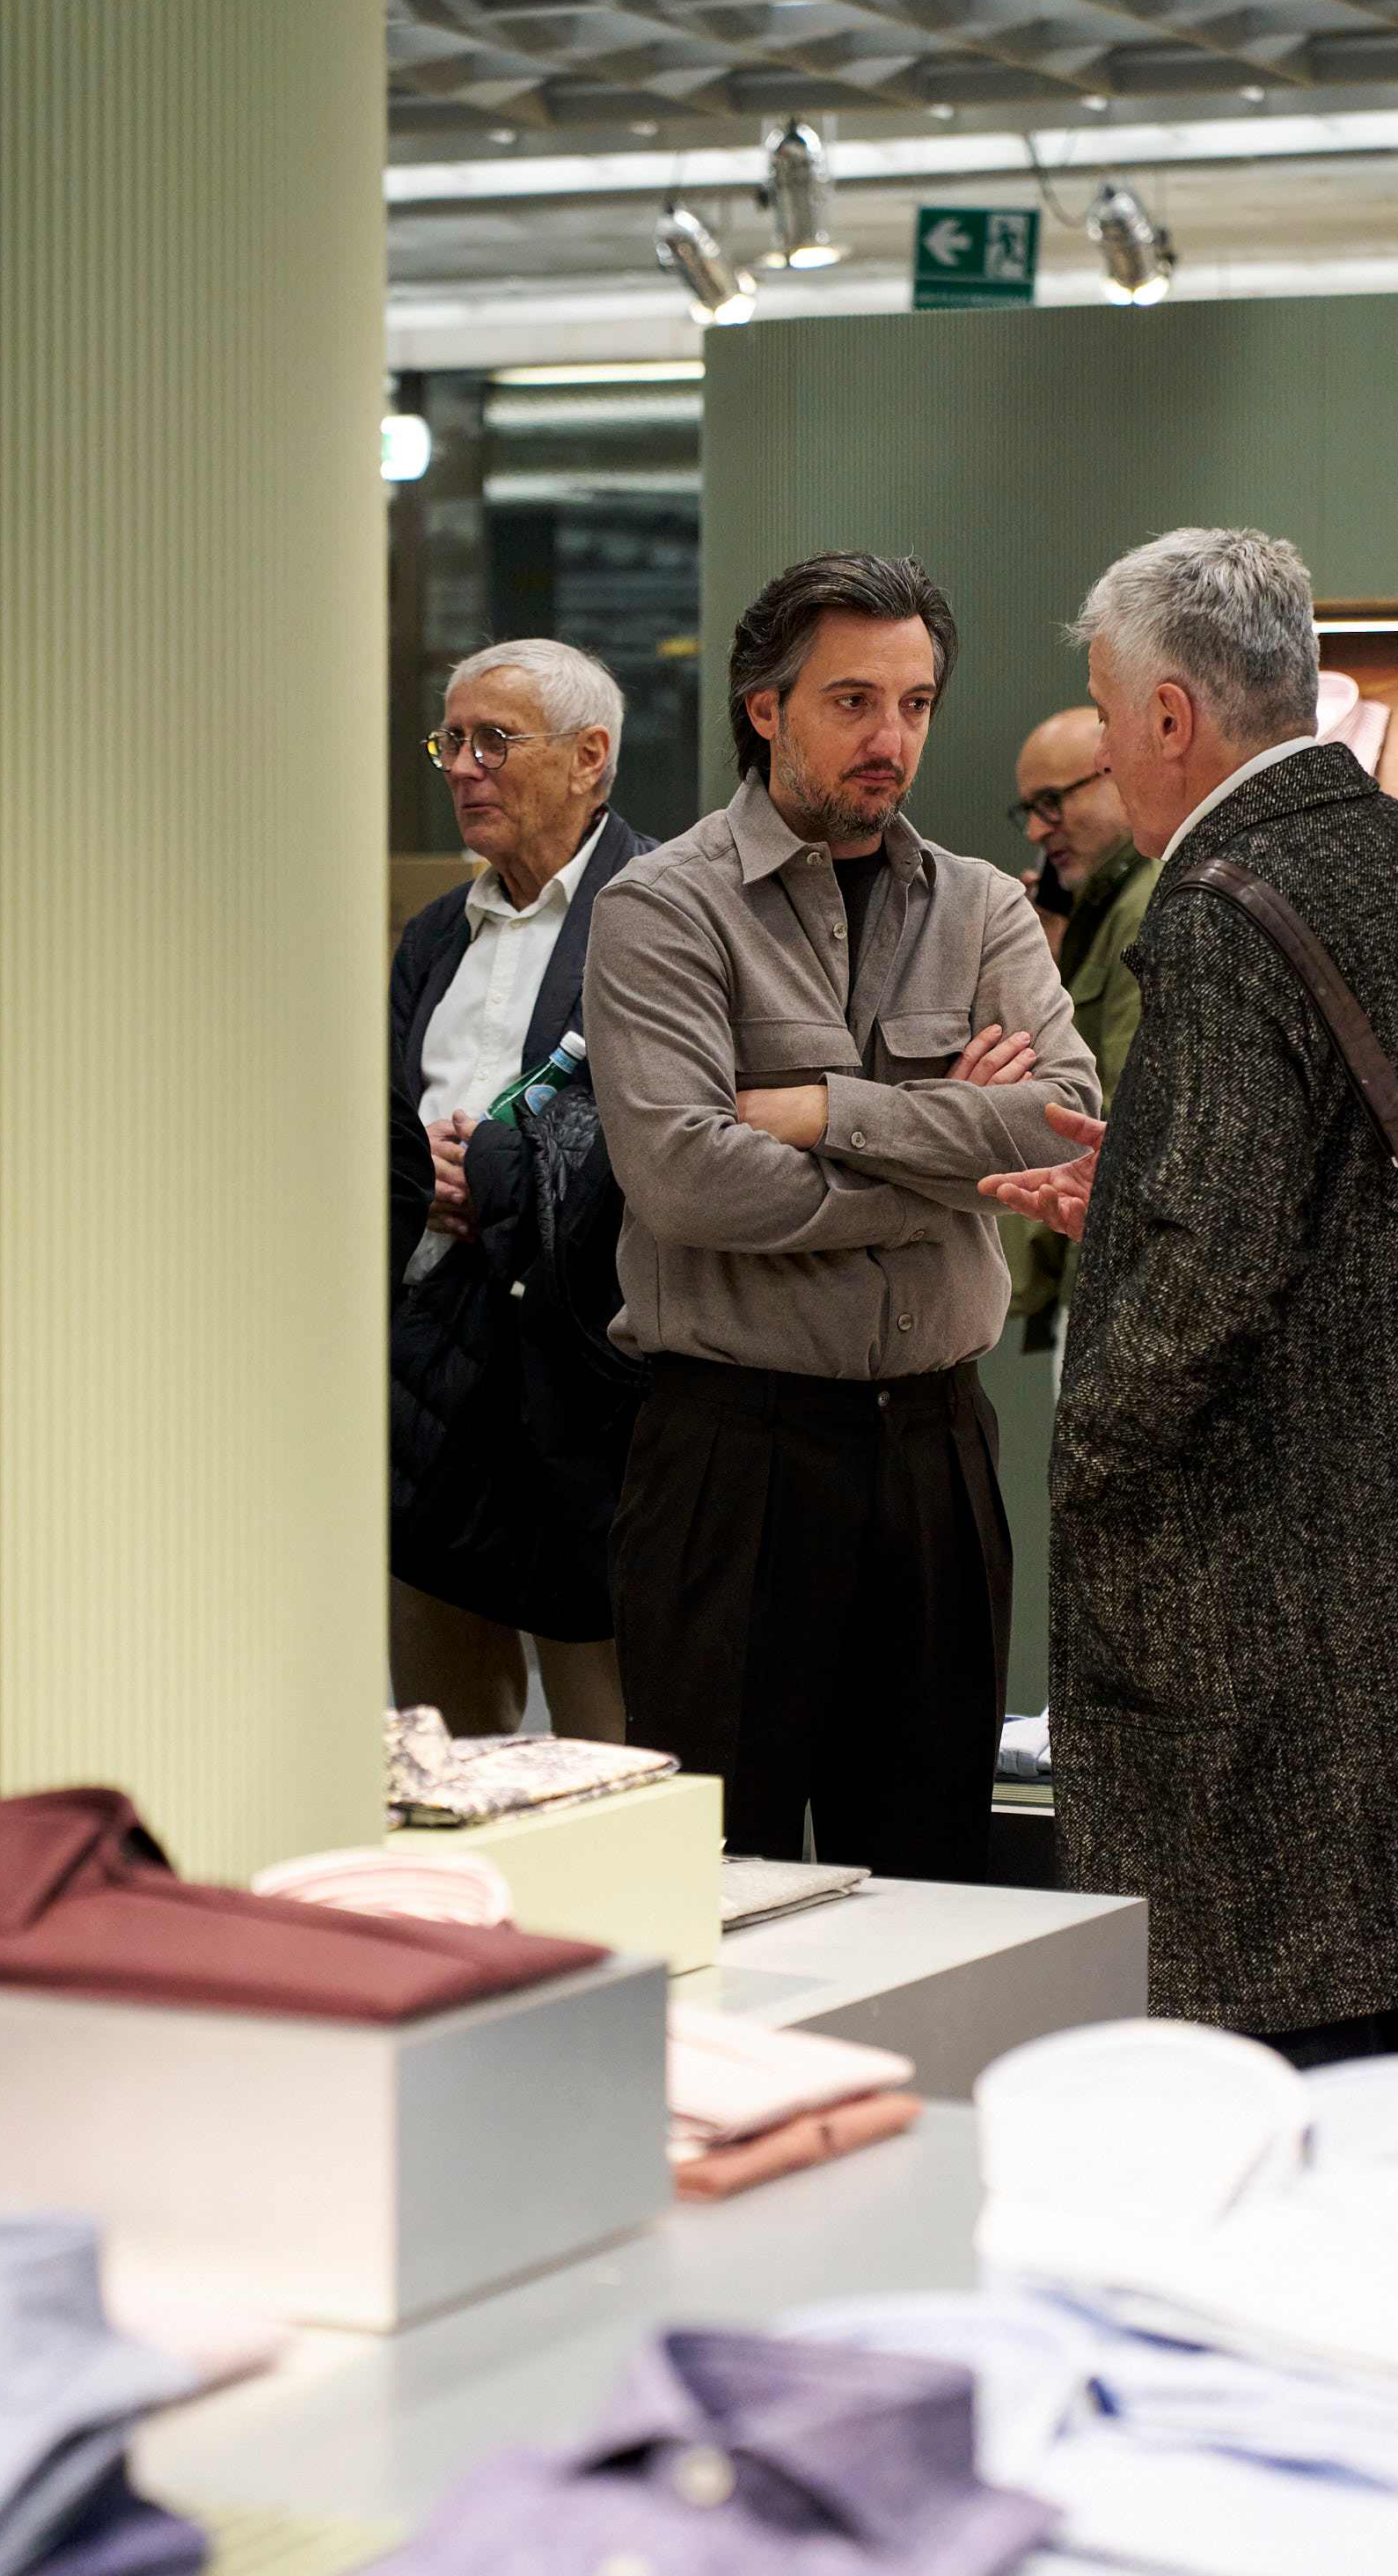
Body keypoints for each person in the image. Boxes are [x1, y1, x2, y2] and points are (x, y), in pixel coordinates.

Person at [982, 526, 1398, 2063]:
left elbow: (1216, 1273)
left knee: (1255, 2051)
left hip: (1243, 1592)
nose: (1105, 751)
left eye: (1108, 716)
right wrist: (1136, 1200)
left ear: (1172, 716)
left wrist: (1094, 1452)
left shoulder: (1224, 908)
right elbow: (1344, 1190)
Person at [583, 552, 1100, 1881]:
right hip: (733, 1453)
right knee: (724, 1880)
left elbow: (1062, 1116)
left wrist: (821, 1110)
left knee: (933, 1870)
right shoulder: (663, 909)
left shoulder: (981, 904)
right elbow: (685, 1175)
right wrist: (947, 1157)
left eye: (915, 704)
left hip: (937, 1449)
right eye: (853, 702)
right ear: (766, 709)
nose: (893, 739)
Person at [389, 638, 655, 1742]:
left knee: (613, 1736)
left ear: (589, 757)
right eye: (450, 740)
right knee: (445, 1732)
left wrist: (502, 1177)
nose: (462, 767)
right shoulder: (434, 934)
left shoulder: (662, 911)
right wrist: (421, 1183)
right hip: (438, 1358)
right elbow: (381, 1113)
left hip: (589, 1365)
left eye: (493, 740)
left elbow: (681, 1129)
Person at [1002, 708, 1159, 1376]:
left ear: (1114, 774)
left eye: (1052, 802)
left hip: (1123, 1292)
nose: (1038, 831)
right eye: (1030, 810)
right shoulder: (1105, 911)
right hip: (1104, 1278)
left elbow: (1125, 1114)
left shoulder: (1145, 908)